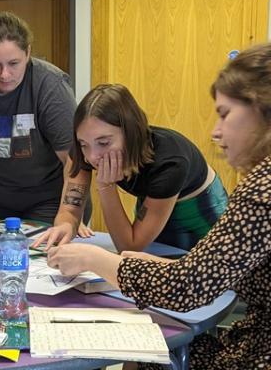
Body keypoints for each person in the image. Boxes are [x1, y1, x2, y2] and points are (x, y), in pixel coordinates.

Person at [48, 43, 271, 368]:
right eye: (85, 145)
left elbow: (190, 286)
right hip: (251, 330)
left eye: (225, 114)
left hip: (256, 350)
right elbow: (203, 273)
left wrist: (93, 258)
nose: (216, 132)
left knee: (146, 345)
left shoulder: (258, 189)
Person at [36, 83, 228, 252]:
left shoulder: (170, 163)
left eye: (104, 143)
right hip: (155, 204)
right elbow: (69, 210)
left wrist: (106, 186)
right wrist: (65, 225)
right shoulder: (87, 148)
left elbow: (130, 245)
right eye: (83, 143)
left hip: (200, 214)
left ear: (131, 133)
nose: (92, 156)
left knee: (202, 281)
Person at [0, 11, 91, 229]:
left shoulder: (50, 85)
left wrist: (69, 215)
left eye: (14, 63)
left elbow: (74, 159)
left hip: (51, 200)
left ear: (28, 53)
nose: (5, 74)